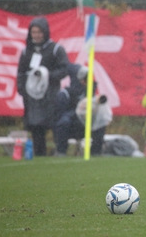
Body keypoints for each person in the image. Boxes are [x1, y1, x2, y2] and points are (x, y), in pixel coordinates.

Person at [16, 17, 70, 156]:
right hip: (32, 94)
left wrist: (47, 75)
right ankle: (39, 154)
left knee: (53, 123)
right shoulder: (27, 51)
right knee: (35, 125)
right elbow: (21, 72)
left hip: (50, 94)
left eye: (39, 32)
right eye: (34, 32)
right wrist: (22, 88)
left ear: (45, 32)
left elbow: (65, 69)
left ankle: (59, 151)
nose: (37, 35)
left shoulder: (55, 49)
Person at [53, 64, 111, 157]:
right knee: (64, 122)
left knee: (100, 122)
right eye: (84, 78)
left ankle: (96, 152)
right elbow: (59, 114)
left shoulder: (91, 91)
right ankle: (61, 151)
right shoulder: (66, 93)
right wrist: (78, 113)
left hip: (87, 123)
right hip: (72, 124)